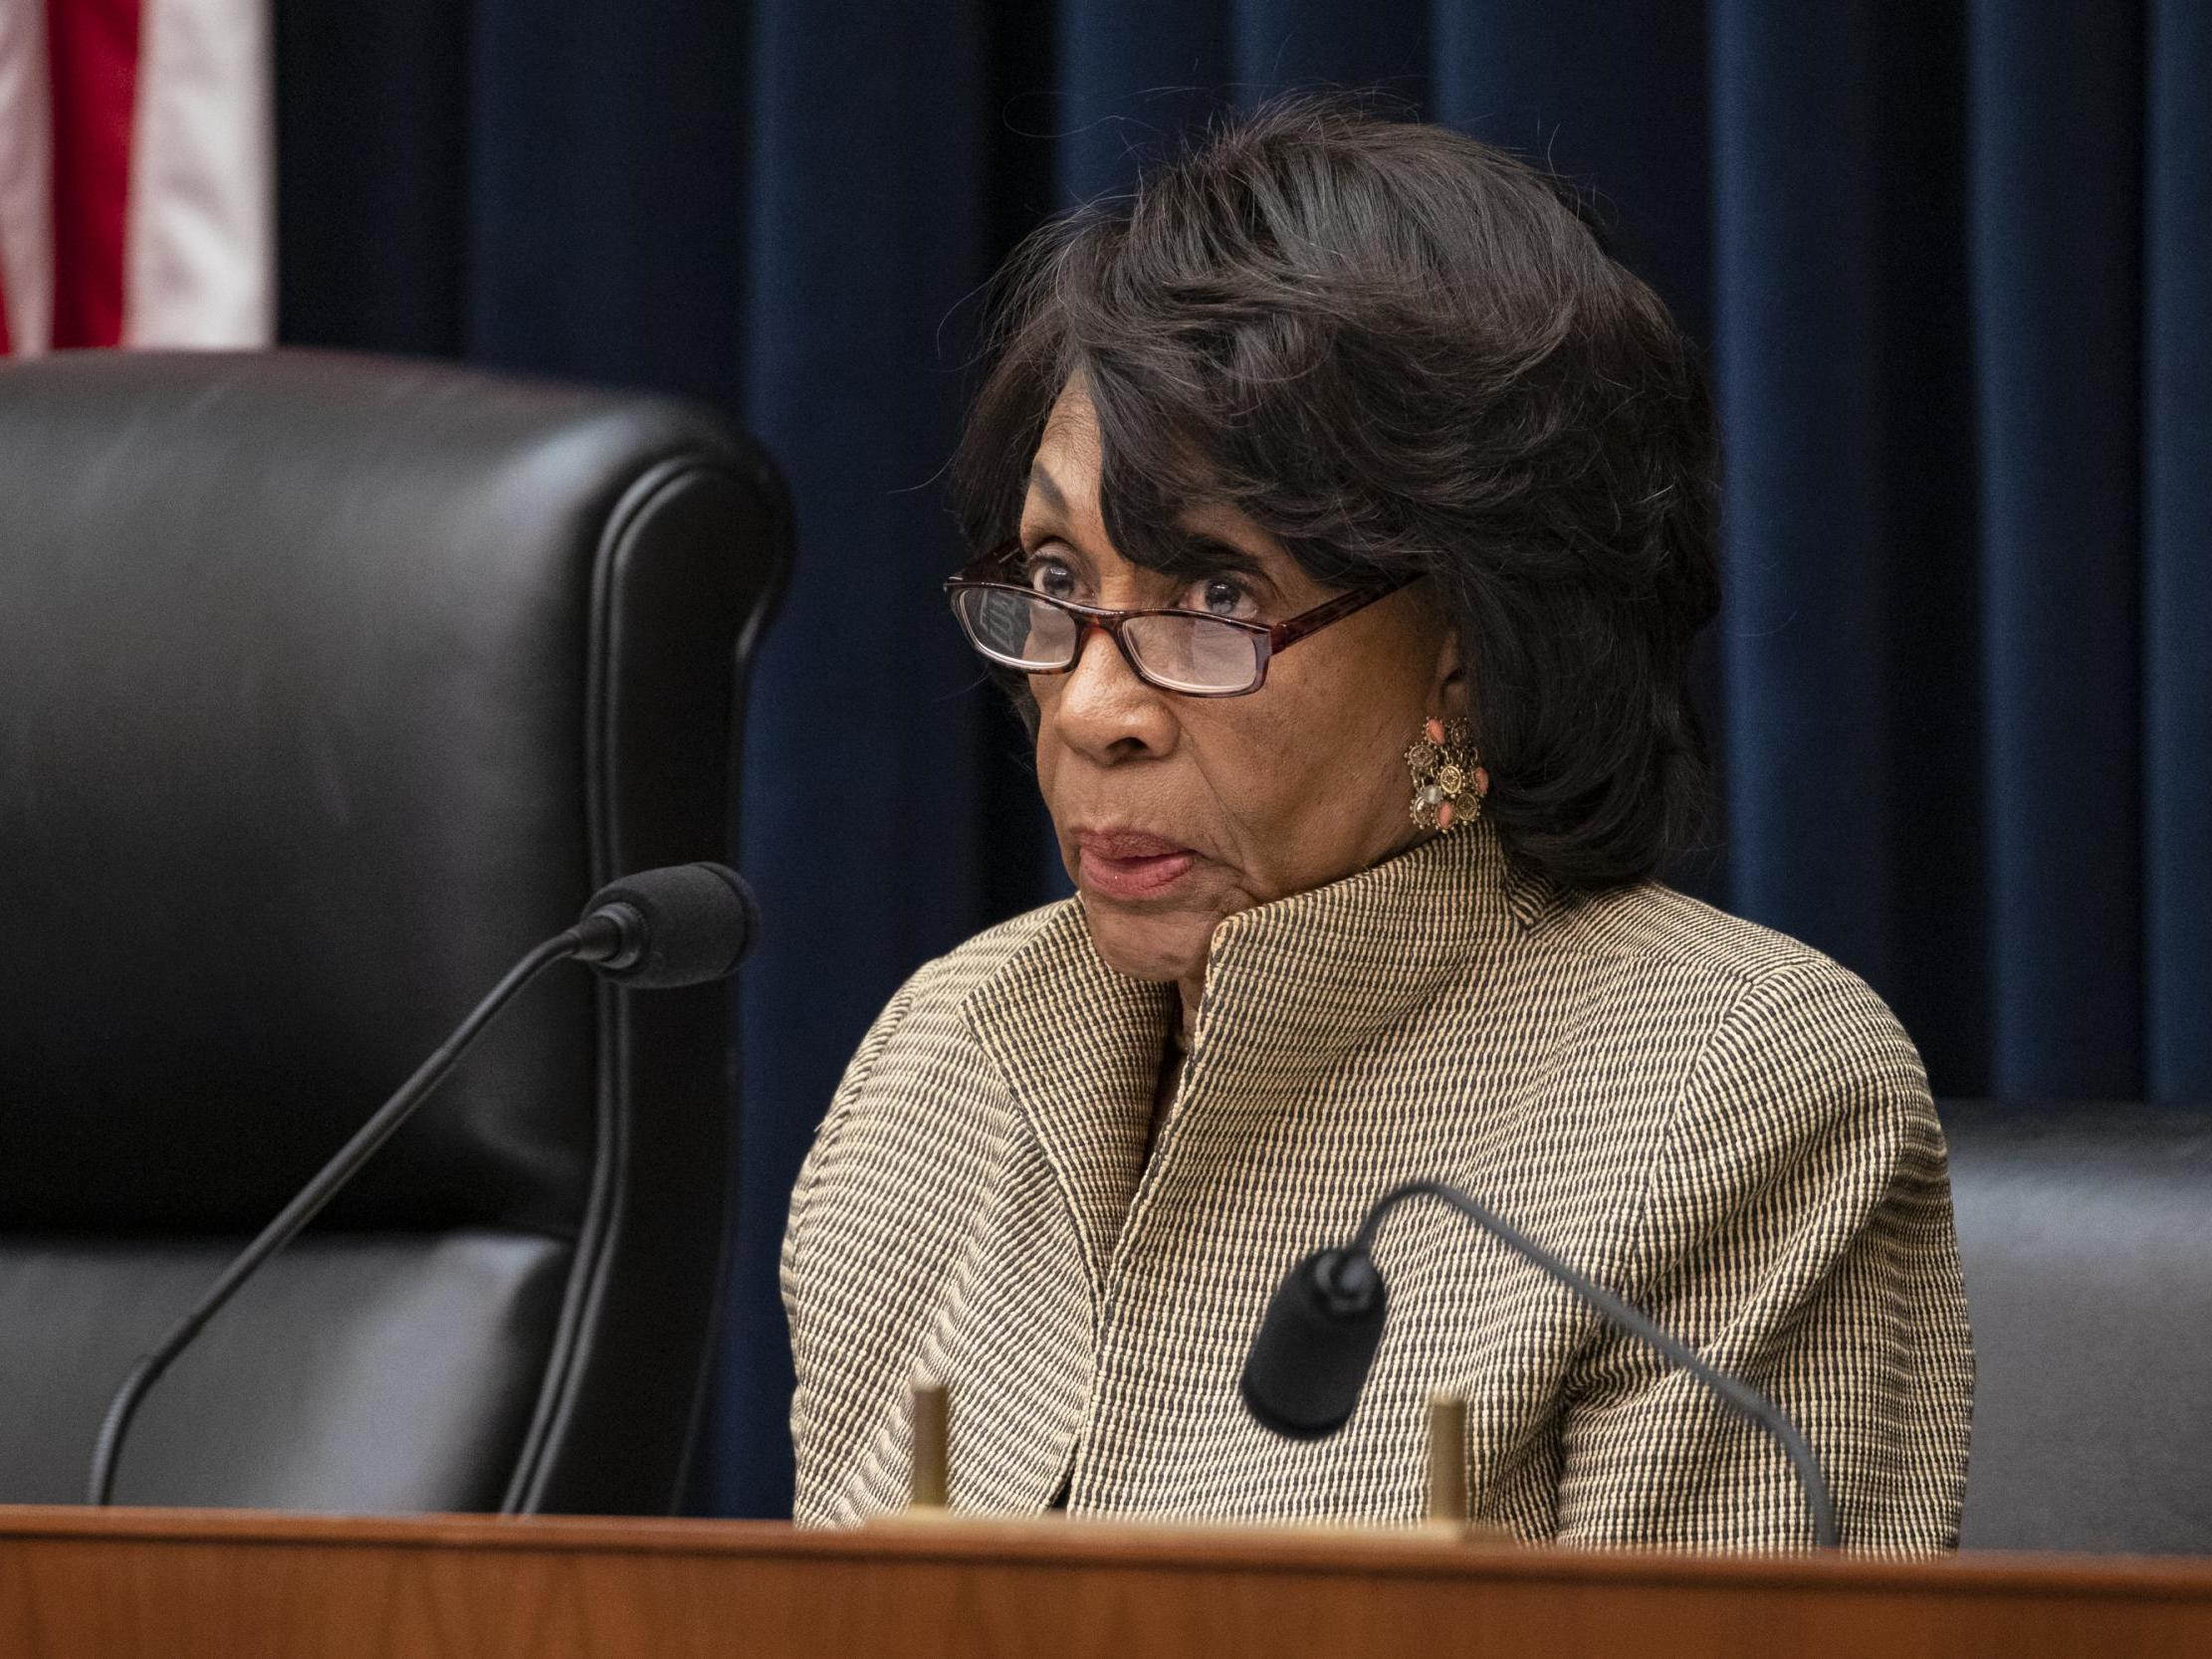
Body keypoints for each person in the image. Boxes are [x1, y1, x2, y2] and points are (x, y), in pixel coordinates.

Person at [779, 98, 1972, 1550]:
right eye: (1053, 572)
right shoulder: (949, 1055)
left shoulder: (1738, 1092)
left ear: (1468, 641)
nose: (1093, 707)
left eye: (1217, 595)